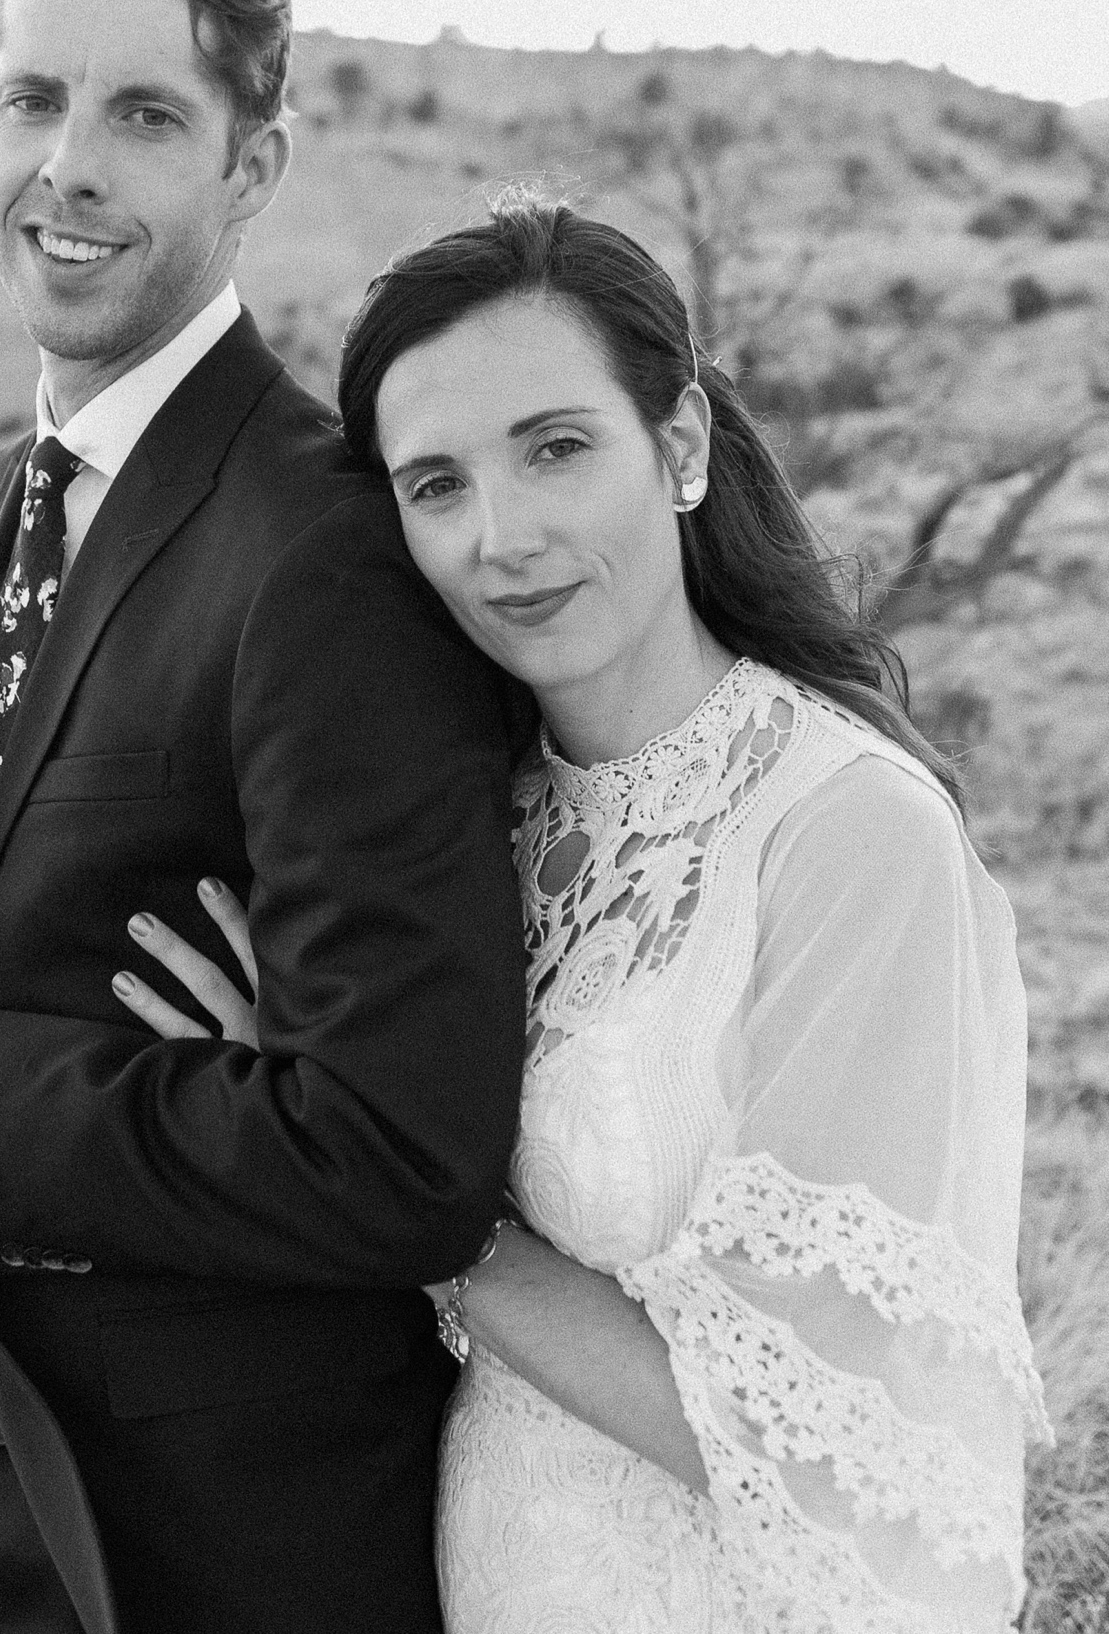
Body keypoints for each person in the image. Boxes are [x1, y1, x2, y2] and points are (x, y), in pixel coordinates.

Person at [122, 194, 1052, 1633]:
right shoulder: (471, 823)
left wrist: (376, 1184)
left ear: (678, 448)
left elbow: (794, 1429)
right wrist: (297, 1078)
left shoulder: (846, 836)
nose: (505, 536)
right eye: (435, 485)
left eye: (556, 448)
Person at [0, 0, 530, 1634]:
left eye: (143, 114)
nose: (73, 166)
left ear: (248, 167)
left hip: (178, 1546)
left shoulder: (325, 552)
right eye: (32, 101)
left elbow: (404, 1158)